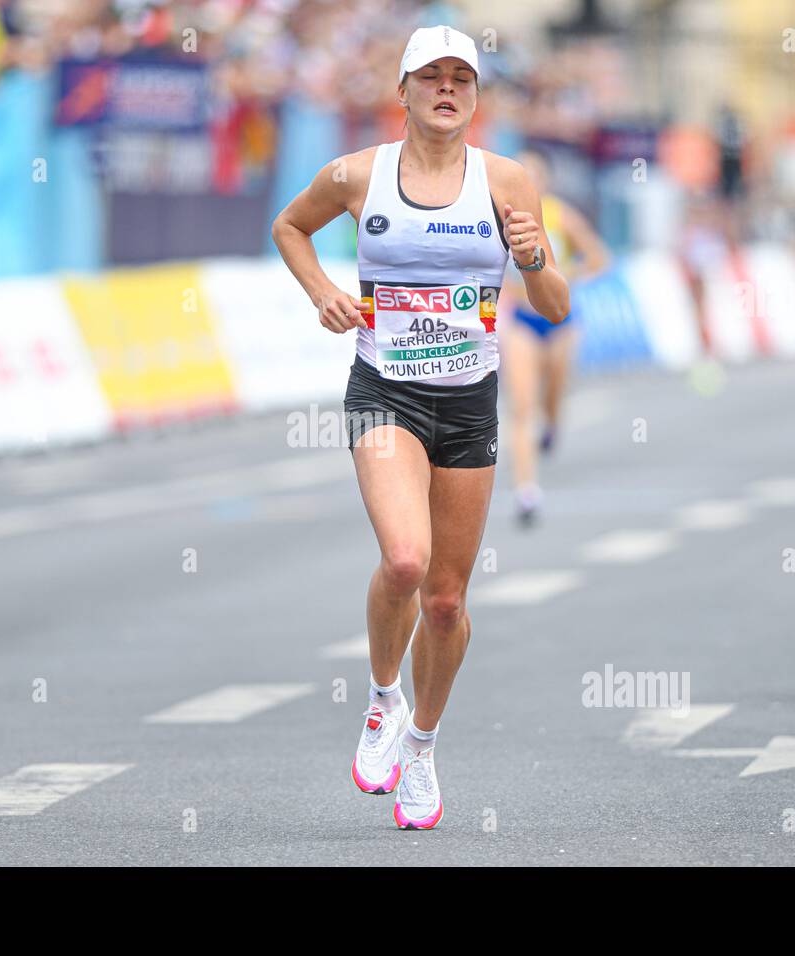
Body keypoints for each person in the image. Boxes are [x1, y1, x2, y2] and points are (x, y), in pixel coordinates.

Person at [271, 25, 569, 829]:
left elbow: (557, 309)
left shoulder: (509, 182)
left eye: (462, 80)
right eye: (430, 77)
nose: (447, 90)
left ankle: (422, 749)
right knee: (404, 560)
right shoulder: (357, 175)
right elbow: (289, 227)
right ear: (400, 92)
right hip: (384, 391)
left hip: (470, 401)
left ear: (476, 98)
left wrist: (536, 260)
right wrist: (322, 292)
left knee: (445, 601)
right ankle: (380, 701)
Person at [498, 149, 609, 525]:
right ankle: (527, 492)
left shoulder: (560, 215)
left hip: (559, 319)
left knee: (553, 395)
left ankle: (553, 424)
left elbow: (598, 258)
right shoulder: (498, 217)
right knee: (521, 405)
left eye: (533, 176)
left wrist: (565, 278)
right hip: (523, 323)